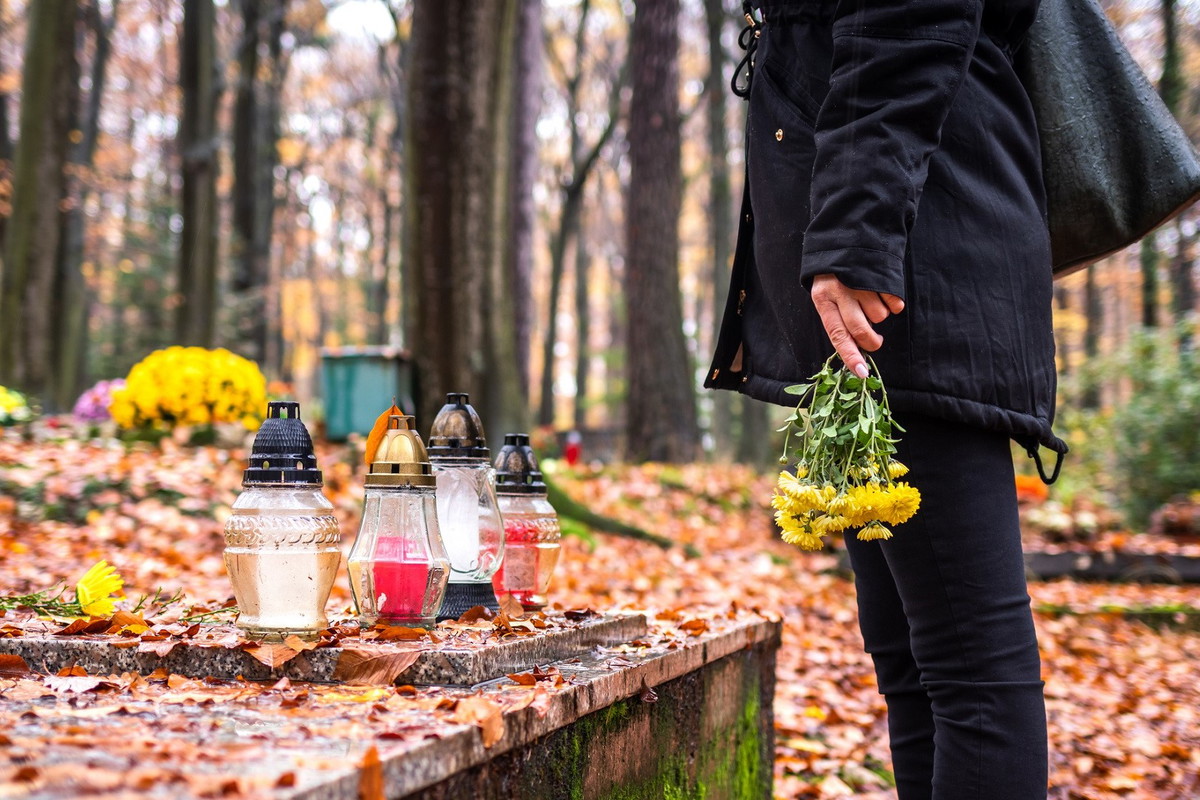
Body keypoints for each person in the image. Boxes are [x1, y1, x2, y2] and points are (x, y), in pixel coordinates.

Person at [705, 1, 1067, 798]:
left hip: (904, 266)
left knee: (971, 673)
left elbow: (912, 12)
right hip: (885, 257)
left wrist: (855, 234)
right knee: (915, 663)